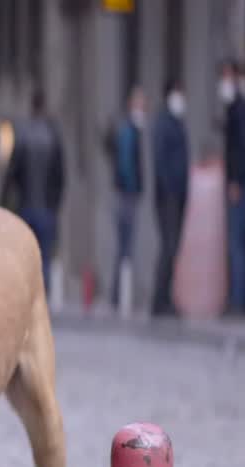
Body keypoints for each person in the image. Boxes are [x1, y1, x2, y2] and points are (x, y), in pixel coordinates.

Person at [1, 89, 66, 296]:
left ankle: (28, 296)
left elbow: (12, 173)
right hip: (46, 208)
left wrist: (4, 202)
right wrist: (55, 204)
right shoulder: (52, 135)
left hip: (26, 206)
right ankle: (42, 297)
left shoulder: (23, 135)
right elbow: (60, 175)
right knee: (44, 257)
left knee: (26, 257)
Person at [221, 59, 245, 316]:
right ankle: (243, 298)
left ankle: (239, 300)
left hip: (241, 184)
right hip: (243, 181)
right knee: (242, 243)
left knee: (238, 243)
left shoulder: (240, 109)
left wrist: (236, 179)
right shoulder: (240, 108)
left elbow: (243, 148)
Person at [150, 79, 190, 317]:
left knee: (172, 247)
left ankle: (165, 297)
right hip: (168, 197)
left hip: (178, 194)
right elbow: (161, 161)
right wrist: (170, 192)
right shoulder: (163, 123)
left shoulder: (176, 122)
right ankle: (159, 299)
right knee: (168, 246)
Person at [105, 86, 146, 312]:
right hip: (126, 195)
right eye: (140, 103)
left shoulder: (130, 130)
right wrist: (133, 188)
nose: (143, 108)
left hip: (124, 194)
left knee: (124, 247)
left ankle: (119, 295)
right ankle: (120, 296)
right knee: (126, 246)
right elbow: (126, 165)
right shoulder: (129, 131)